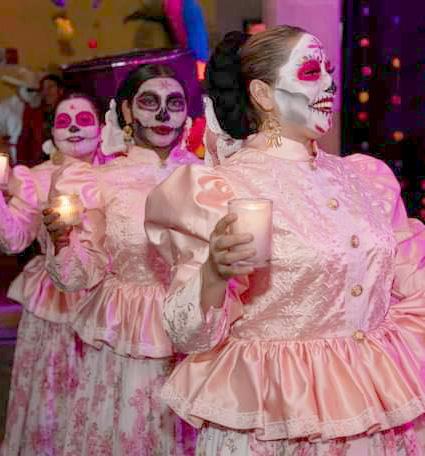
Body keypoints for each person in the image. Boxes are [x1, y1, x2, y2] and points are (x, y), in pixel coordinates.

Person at [144, 27, 425, 454]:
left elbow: (411, 281)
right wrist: (214, 273)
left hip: (374, 409)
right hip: (272, 421)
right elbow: (189, 337)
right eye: (311, 72)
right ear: (262, 93)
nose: (329, 84)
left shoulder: (367, 178)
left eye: (329, 71)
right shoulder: (220, 189)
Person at [43, 63, 200, 455]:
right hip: (125, 334)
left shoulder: (208, 177)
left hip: (196, 330)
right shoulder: (102, 180)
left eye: (174, 103)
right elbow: (80, 275)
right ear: (127, 111)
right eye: (149, 102)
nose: (163, 114)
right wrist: (62, 241)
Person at [0, 93, 103, 456]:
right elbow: (14, 240)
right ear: (52, 133)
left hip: (105, 303)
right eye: (63, 122)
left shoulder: (116, 175)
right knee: (55, 391)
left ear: (102, 126)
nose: (74, 128)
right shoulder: (36, 177)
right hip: (54, 304)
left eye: (84, 120)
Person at [17, 74, 64, 167]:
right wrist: (21, 166)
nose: (46, 92)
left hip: (63, 162)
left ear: (61, 90)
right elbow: (23, 140)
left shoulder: (68, 111)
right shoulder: (33, 113)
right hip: (39, 164)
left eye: (50, 87)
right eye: (43, 88)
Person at [0, 67, 41, 164]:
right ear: (19, 87)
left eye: (35, 90)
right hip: (12, 155)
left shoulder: (38, 106)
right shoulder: (5, 106)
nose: (33, 93)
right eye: (29, 90)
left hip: (35, 156)